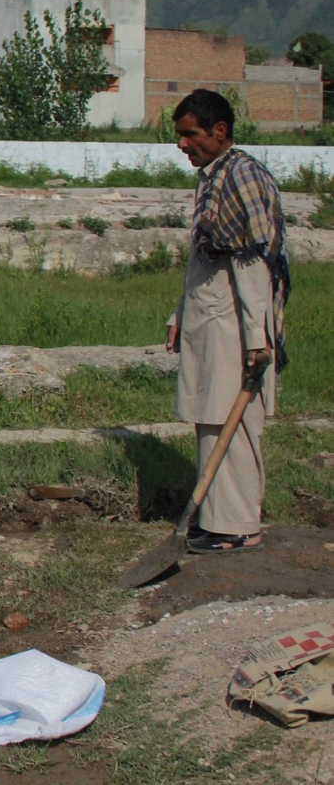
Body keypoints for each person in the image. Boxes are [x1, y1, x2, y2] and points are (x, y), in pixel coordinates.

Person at [165, 89, 290, 554]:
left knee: (233, 424)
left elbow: (254, 262)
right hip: (209, 317)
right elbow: (205, 258)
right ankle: (213, 518)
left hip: (235, 324)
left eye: (189, 134)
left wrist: (259, 339)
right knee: (210, 420)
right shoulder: (211, 176)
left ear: (219, 132)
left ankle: (238, 524)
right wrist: (180, 312)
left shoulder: (242, 176)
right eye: (179, 135)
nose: (181, 144)